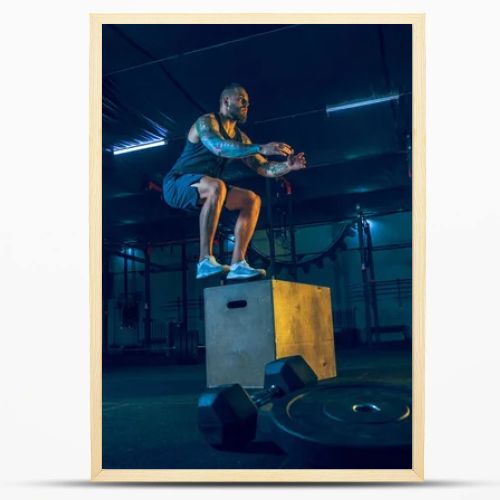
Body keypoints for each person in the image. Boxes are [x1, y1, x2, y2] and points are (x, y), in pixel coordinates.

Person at [163, 83, 306, 280]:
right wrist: (261, 147)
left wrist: (288, 166)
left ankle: (238, 263)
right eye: (241, 99)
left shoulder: (240, 137)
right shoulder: (206, 122)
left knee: (252, 200)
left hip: (207, 186)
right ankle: (204, 260)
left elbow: (263, 168)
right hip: (176, 184)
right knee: (217, 186)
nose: (246, 104)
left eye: (248, 101)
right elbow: (219, 147)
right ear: (226, 101)